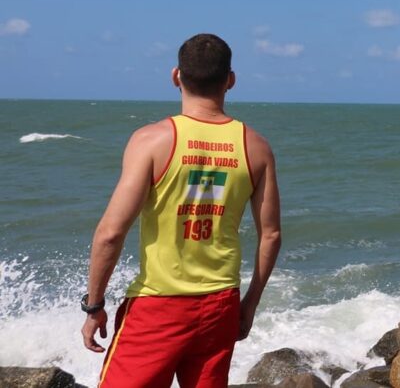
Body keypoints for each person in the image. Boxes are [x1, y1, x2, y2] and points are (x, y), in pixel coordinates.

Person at [81, 33, 282, 387]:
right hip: (220, 304)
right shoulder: (256, 146)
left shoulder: (151, 141)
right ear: (230, 80)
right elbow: (271, 234)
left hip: (158, 304)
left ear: (176, 76)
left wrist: (94, 306)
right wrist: (249, 304)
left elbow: (110, 234)